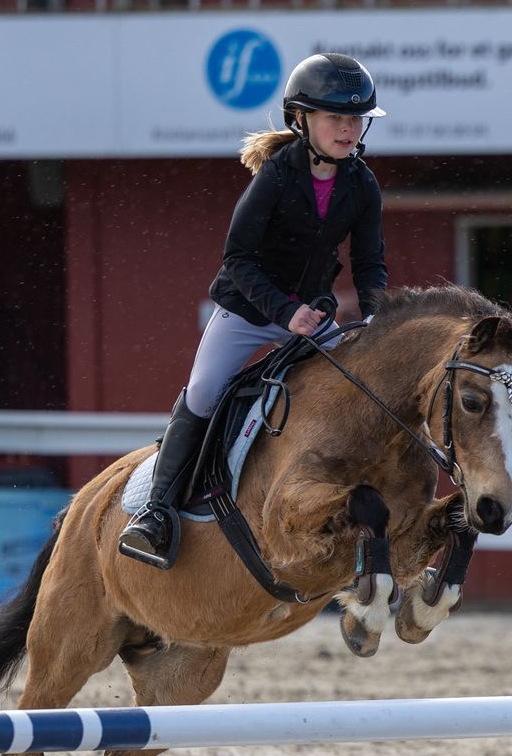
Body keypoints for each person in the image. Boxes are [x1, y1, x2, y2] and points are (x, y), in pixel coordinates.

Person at [118, 52, 388, 570]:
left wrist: (375, 320)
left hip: (310, 316)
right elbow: (237, 259)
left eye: (356, 120)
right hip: (248, 310)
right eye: (336, 118)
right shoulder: (276, 177)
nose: (349, 129)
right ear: (301, 120)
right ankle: (155, 512)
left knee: (361, 389)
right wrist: (285, 314)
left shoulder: (363, 184)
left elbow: (371, 264)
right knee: (201, 393)